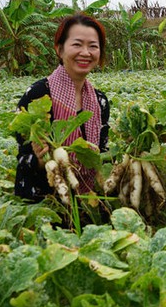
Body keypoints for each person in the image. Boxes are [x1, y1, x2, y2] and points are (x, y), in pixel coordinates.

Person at [14, 12, 110, 201]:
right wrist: (41, 160)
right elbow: (23, 159)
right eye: (77, 44)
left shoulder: (100, 101)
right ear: (59, 49)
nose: (85, 52)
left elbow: (102, 152)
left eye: (93, 46)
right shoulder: (38, 94)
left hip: (89, 198)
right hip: (43, 199)